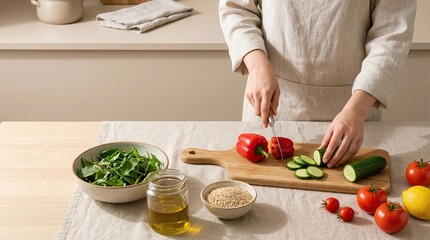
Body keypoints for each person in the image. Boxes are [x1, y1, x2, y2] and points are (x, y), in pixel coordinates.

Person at [219, 0, 416, 168]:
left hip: (354, 110)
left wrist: (358, 109)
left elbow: (392, 33)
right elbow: (236, 8)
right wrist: (257, 65)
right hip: (274, 105)